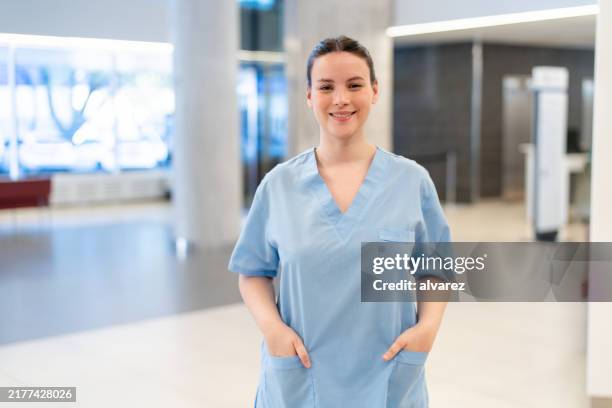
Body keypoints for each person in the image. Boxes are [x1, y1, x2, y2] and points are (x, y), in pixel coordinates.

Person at [228, 35, 451, 408]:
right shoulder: (279, 185)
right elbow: (252, 271)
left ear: (375, 91)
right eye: (327, 87)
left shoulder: (411, 181)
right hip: (301, 379)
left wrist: (427, 329)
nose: (341, 99)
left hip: (388, 379)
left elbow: (436, 269)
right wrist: (273, 331)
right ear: (310, 96)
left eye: (355, 85)